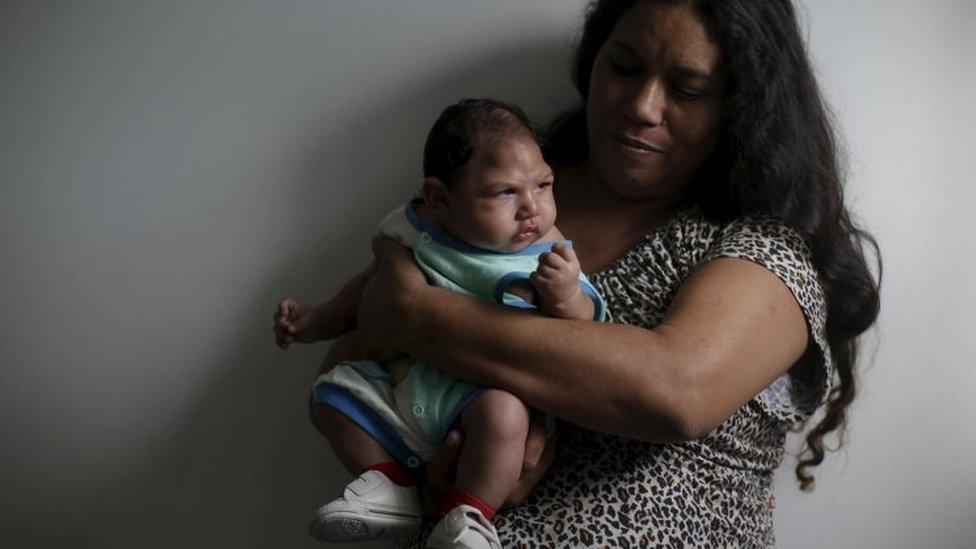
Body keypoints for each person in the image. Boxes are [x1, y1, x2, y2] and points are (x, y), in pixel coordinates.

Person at [309, 0, 882, 546]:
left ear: (738, 104)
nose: (642, 106)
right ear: (595, 58)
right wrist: (427, 461)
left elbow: (673, 392)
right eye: (625, 67)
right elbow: (352, 361)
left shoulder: (758, 247)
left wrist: (418, 313)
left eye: (686, 89)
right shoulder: (497, 201)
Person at [274, 98, 606, 547]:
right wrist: (316, 322)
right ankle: (389, 485)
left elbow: (587, 327)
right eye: (505, 192)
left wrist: (566, 295)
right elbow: (369, 286)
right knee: (330, 396)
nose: (532, 207)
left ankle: (468, 516)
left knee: (506, 416)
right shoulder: (415, 229)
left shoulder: (546, 253)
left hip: (480, 399)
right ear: (439, 198)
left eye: (544, 185)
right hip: (407, 385)